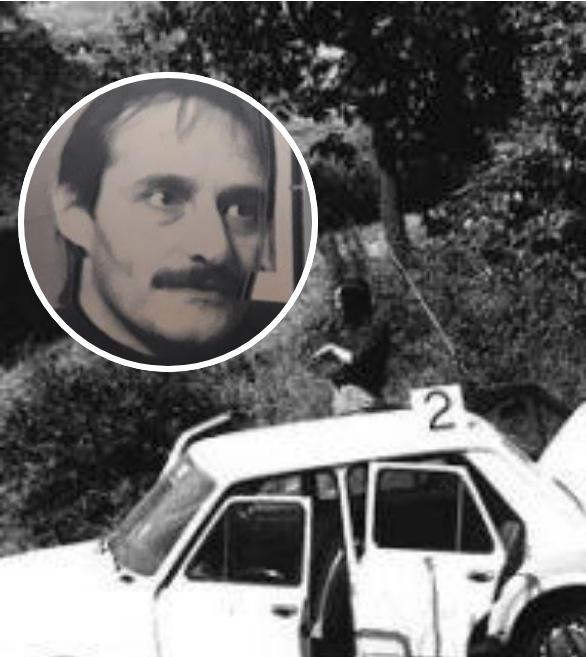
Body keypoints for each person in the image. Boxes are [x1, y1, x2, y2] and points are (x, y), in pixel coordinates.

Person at [50, 78, 283, 366]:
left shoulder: (277, 360)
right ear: (75, 214)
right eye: (164, 199)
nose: (215, 248)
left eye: (242, 209)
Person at [313, 276, 392, 415]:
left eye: (339, 301)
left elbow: (358, 359)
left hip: (362, 400)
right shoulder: (344, 331)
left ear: (352, 301)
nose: (337, 306)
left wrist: (332, 349)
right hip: (342, 400)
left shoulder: (375, 329)